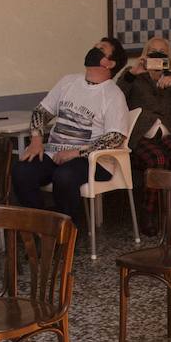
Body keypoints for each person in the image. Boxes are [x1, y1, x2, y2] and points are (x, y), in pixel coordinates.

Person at [14, 38, 130, 228]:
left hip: (93, 159)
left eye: (101, 48)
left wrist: (75, 153)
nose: (94, 49)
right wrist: (36, 140)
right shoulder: (68, 82)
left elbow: (115, 137)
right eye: (94, 46)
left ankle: (68, 235)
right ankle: (42, 228)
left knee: (65, 176)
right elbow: (41, 112)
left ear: (110, 63)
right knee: (22, 170)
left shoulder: (113, 95)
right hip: (54, 152)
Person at [118, 35, 171, 175]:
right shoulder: (133, 75)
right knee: (158, 159)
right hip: (142, 134)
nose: (157, 55)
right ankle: (154, 198)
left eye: (162, 52)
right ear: (146, 55)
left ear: (168, 57)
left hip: (167, 133)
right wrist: (132, 74)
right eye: (153, 51)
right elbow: (117, 97)